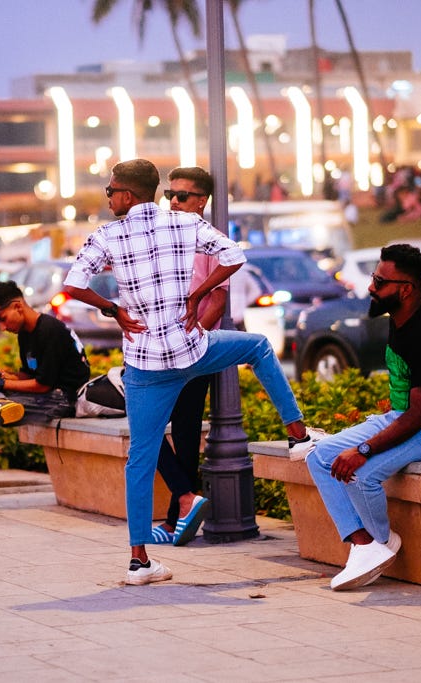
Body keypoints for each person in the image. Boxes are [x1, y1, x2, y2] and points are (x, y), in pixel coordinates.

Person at [63, 158, 319, 586]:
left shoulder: (107, 235)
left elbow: (72, 284)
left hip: (144, 365)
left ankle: (139, 561)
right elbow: (234, 256)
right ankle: (298, 435)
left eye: (110, 191)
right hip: (192, 349)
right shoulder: (185, 223)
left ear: (127, 194)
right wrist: (196, 296)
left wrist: (113, 309)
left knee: (140, 459)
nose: (107, 198)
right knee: (257, 347)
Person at [305, 244, 421, 591]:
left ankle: (378, 544)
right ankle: (366, 544)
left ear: (406, 289)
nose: (371, 287)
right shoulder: (400, 319)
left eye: (380, 282)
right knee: (319, 456)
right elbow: (408, 411)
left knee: (360, 474)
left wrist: (364, 449)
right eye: (373, 278)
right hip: (406, 417)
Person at [0, 280, 91, 515]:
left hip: (62, 398)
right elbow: (27, 376)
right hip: (43, 393)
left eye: (3, 319)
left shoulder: (49, 330)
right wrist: (2, 374)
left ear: (18, 306)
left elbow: (43, 385)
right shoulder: (25, 333)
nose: (2, 327)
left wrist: (0, 384)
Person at [150, 166, 228, 546]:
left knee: (184, 433)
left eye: (182, 196)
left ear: (202, 201)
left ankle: (174, 519)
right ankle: (184, 501)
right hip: (157, 349)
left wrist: (190, 340)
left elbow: (217, 301)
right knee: (146, 426)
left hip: (193, 352)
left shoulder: (213, 242)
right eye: (170, 195)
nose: (174, 202)